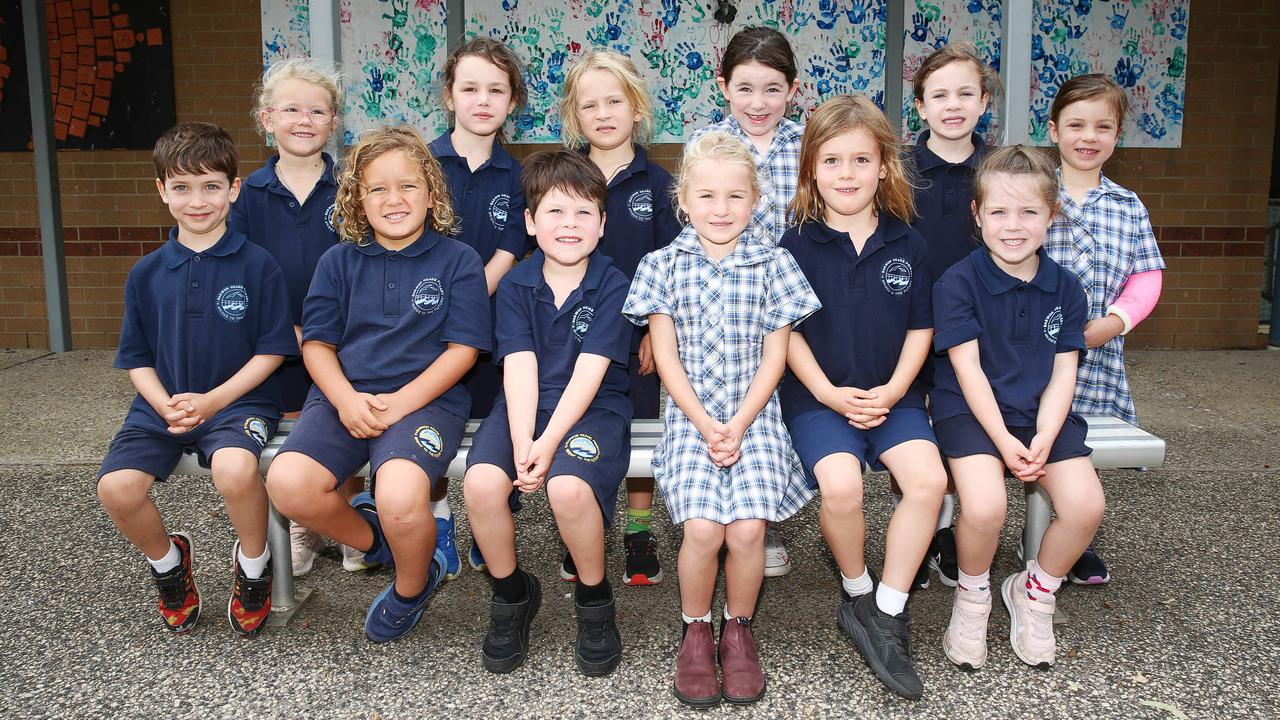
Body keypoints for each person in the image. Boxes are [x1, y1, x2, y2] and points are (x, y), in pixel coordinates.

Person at [265, 126, 491, 643]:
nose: (395, 199)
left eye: (409, 186)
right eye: (378, 189)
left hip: (425, 402)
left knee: (399, 496)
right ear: (357, 200)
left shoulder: (459, 262)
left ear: (432, 194)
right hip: (344, 397)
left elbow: (464, 350)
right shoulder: (337, 262)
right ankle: (375, 543)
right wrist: (345, 398)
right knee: (288, 482)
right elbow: (317, 344)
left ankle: (413, 585)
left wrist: (400, 404)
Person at [623, 131, 820, 707]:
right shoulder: (661, 265)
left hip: (755, 417)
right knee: (706, 529)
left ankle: (738, 629)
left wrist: (738, 421)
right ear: (683, 199)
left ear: (756, 200)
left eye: (735, 197)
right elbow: (665, 356)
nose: (721, 209)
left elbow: (776, 354)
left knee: (749, 528)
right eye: (706, 196)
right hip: (691, 420)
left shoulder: (775, 264)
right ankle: (695, 628)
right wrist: (708, 424)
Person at [97, 122, 297, 637]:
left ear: (234, 189)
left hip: (239, 402)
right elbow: (136, 358)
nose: (198, 201)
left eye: (211, 186)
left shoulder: (258, 266)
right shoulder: (146, 273)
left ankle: (253, 566)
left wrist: (213, 401)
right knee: (117, 488)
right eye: (182, 188)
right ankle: (169, 566)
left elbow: (273, 350)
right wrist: (165, 404)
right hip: (162, 405)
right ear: (162, 192)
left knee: (234, 471)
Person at [779, 94, 947, 700]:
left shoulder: (909, 244)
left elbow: (921, 329)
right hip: (819, 398)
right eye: (830, 161)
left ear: (884, 167)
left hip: (894, 395)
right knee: (843, 485)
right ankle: (856, 594)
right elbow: (786, 332)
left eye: (859, 160)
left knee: (928, 483)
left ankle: (890, 607)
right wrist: (828, 391)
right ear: (810, 170)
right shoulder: (793, 244)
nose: (845, 174)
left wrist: (896, 390)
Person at [931, 145, 1106, 670]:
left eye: (1029, 212)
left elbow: (1063, 373)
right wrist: (1006, 442)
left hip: (1040, 416)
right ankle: (973, 593)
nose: (1013, 225)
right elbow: (968, 372)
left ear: (1052, 216)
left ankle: (1034, 591)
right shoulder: (957, 283)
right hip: (972, 411)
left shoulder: (1067, 288)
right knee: (984, 506)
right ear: (977, 215)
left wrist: (1045, 437)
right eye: (999, 212)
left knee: (1085, 506)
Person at [464, 150, 633, 677]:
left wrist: (548, 443)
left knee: (566, 487)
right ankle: (513, 594)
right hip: (523, 407)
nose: (569, 225)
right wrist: (522, 444)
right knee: (482, 484)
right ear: (531, 222)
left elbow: (589, 372)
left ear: (603, 225)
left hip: (593, 409)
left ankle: (593, 597)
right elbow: (518, 366)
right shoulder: (515, 283)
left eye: (584, 213)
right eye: (555, 212)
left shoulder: (613, 284)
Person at [231, 58, 370, 576]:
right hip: (274, 341)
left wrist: (328, 335)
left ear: (335, 122)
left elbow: (366, 264)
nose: (304, 119)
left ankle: (350, 516)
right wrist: (285, 332)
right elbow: (239, 274)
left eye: (317, 110)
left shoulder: (353, 189)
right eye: (291, 109)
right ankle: (302, 526)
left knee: (341, 425)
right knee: (291, 436)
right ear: (267, 118)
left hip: (345, 338)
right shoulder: (245, 196)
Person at [558, 49, 681, 586]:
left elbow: (669, 267)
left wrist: (658, 331)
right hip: (574, 337)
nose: (604, 113)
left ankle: (636, 529)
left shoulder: (659, 183)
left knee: (636, 429)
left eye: (615, 101)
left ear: (637, 109)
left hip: (637, 340)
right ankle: (586, 527)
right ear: (574, 116)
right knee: (583, 427)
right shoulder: (565, 180)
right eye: (590, 105)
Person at [686, 25, 804, 575]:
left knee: (776, 411)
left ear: (793, 90)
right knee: (728, 398)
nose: (759, 102)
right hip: (725, 300)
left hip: (787, 295)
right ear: (723, 86)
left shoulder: (807, 146)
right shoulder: (706, 144)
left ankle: (766, 513)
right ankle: (724, 505)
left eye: (772, 88)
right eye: (746, 88)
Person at [1044, 73, 1165, 585]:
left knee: (1082, 446)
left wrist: (1115, 322)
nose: (1088, 137)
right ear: (1053, 130)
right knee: (1025, 440)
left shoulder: (1127, 204)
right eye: (1076, 124)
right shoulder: (1034, 193)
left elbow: (1147, 275)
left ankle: (1074, 541)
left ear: (1117, 136)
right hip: (1034, 354)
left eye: (1103, 126)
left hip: (1098, 353)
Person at [428, 37, 532, 578]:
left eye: (496, 90)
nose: (482, 100)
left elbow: (512, 248)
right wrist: (441, 307)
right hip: (428, 327)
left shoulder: (518, 176)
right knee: (434, 425)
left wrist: (467, 298)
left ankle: (498, 515)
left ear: (512, 102)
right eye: (470, 88)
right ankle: (440, 518)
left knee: (497, 422)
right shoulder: (422, 163)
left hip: (491, 324)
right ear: (450, 95)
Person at [906, 43, 1003, 591]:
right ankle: (921, 531)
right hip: (910, 326)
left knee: (961, 428)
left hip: (974, 331)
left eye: (966, 93)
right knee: (915, 433)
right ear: (920, 105)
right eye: (939, 94)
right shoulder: (897, 170)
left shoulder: (996, 169)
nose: (953, 105)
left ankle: (948, 534)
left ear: (983, 101)